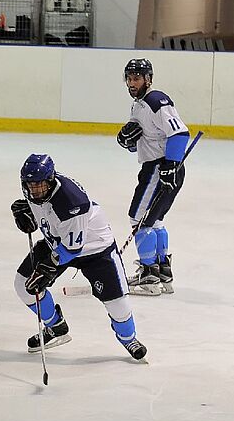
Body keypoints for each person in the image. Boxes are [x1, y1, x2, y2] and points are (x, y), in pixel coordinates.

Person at [11, 154, 146, 361]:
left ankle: (128, 338)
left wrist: (48, 267)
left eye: (40, 185)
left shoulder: (72, 202)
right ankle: (56, 326)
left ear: (50, 180)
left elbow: (72, 249)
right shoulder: (35, 190)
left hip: (95, 249)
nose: (35, 190)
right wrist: (26, 212)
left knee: (118, 304)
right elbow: (45, 212)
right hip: (58, 242)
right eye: (31, 185)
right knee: (23, 285)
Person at [116, 58, 190, 295]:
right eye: (129, 78)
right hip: (162, 168)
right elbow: (144, 137)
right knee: (155, 220)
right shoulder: (139, 104)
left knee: (138, 218)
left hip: (160, 169)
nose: (132, 83)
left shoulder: (155, 101)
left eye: (137, 78)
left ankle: (149, 277)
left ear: (148, 79)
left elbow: (180, 134)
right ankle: (162, 272)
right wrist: (128, 141)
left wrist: (170, 165)